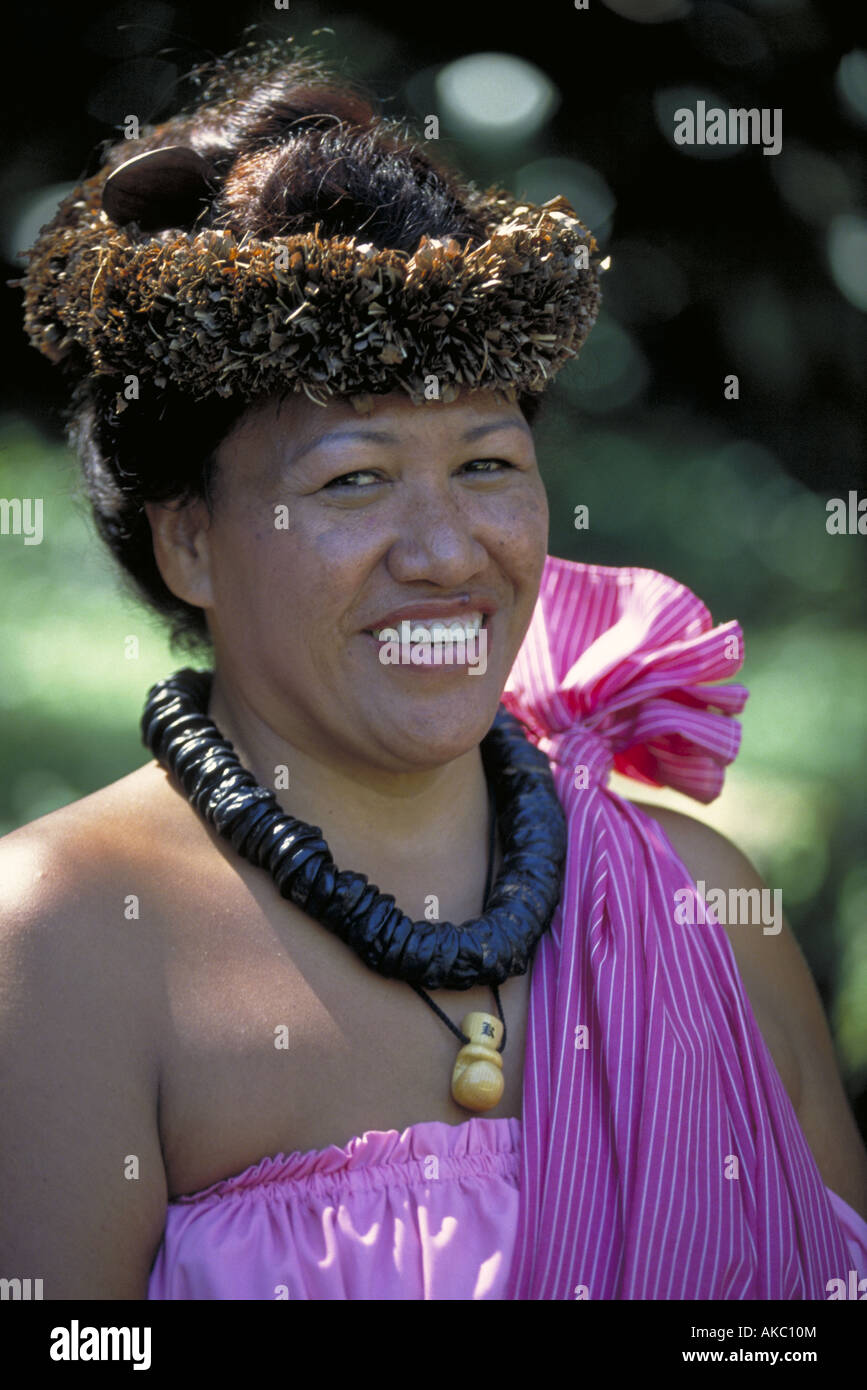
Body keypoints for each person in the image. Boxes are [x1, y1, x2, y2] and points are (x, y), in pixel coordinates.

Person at [3, 37, 866, 1301]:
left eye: (487, 465)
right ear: (190, 538)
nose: (447, 551)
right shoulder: (61, 941)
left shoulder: (699, 904)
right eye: (353, 480)